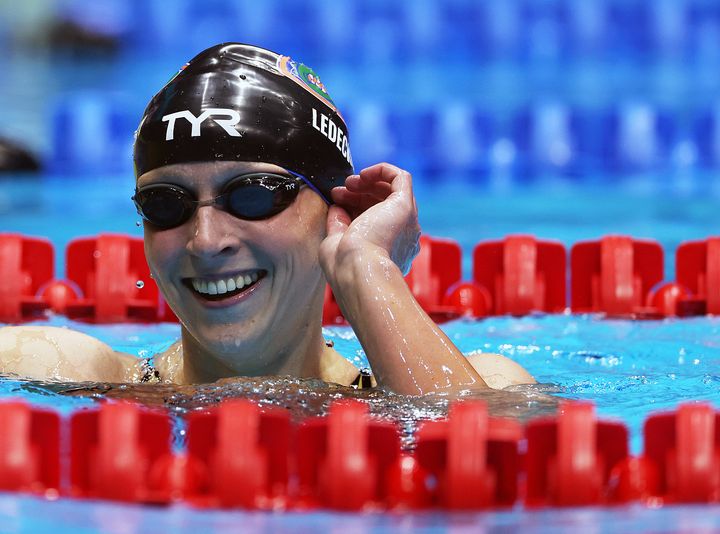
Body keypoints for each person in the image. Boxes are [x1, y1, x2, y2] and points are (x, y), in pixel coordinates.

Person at [0, 43, 534, 395]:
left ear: (334, 210)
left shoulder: (485, 386)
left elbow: (484, 466)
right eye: (167, 204)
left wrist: (367, 271)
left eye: (253, 196)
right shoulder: (61, 374)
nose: (206, 241)